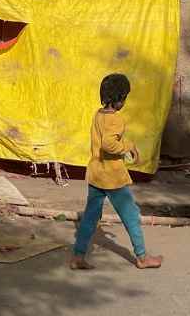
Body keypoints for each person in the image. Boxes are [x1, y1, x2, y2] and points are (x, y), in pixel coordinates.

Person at [70, 72, 163, 270]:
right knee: (131, 215)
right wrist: (128, 146)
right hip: (112, 177)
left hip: (96, 173)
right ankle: (142, 257)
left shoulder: (98, 114)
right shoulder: (116, 120)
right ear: (120, 99)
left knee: (90, 216)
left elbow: (102, 142)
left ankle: (78, 257)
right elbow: (109, 144)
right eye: (125, 97)